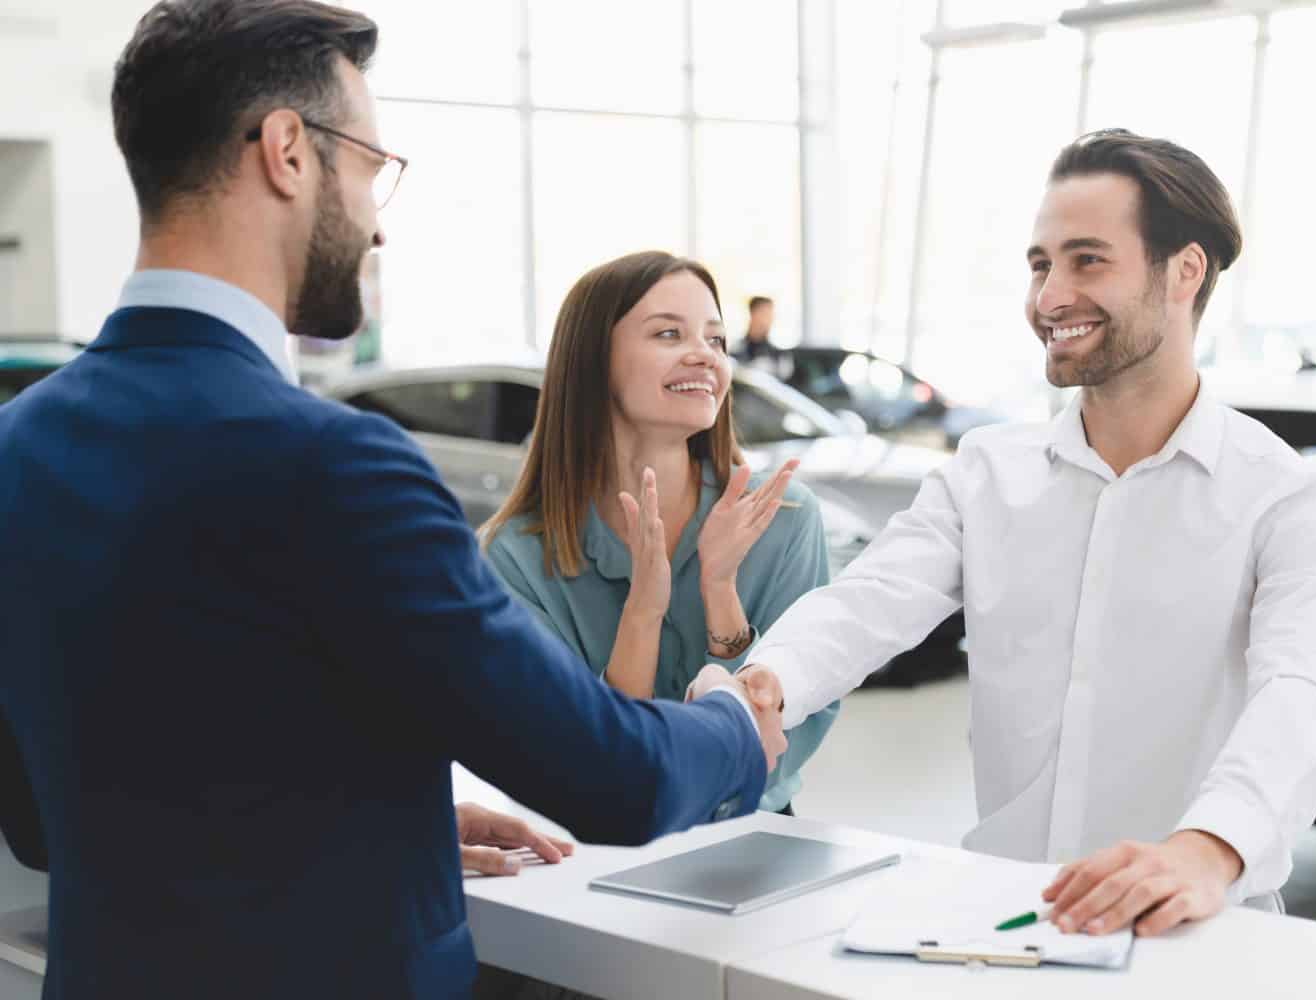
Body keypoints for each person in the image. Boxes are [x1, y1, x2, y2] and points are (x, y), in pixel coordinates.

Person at [0, 3, 784, 998]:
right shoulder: (331, 463)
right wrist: (734, 732)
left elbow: (44, 812)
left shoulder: (17, 447)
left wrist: (391, 822)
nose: (376, 218)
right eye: (371, 165)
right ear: (288, 152)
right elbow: (609, 774)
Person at [705, 129, 1316, 939]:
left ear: (1184, 272)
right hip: (1009, 926)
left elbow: (1303, 696)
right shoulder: (984, 474)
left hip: (1198, 934)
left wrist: (1208, 848)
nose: (1050, 297)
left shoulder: (1294, 496)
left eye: (1088, 260)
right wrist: (770, 679)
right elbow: (871, 599)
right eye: (1040, 264)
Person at [481, 252, 838, 816]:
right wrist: (641, 614)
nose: (704, 355)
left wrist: (720, 591)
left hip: (754, 838)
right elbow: (583, 758)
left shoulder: (786, 515)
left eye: (716, 340)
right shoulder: (518, 556)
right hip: (597, 851)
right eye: (669, 333)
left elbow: (795, 729)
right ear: (593, 361)